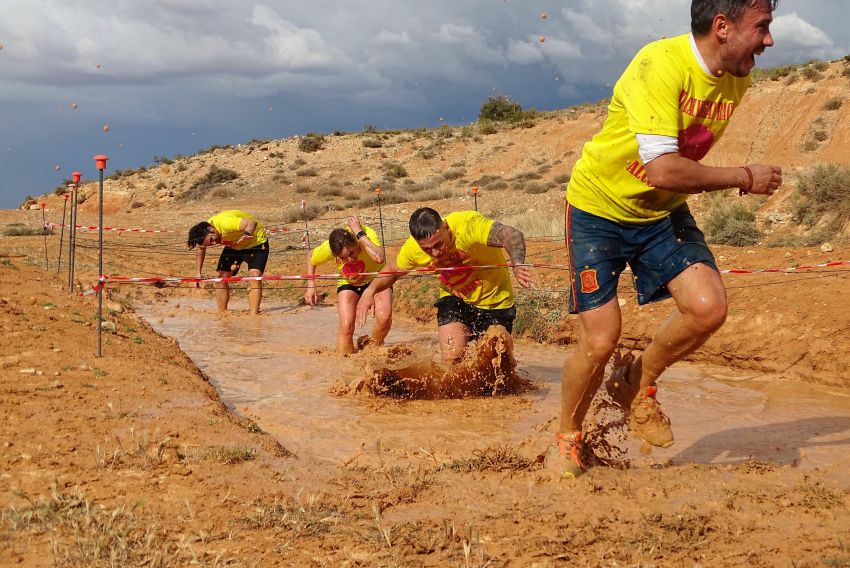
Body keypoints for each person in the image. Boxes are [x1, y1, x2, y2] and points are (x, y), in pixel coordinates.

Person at [554, 0, 783, 478]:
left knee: (708, 308)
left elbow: (668, 176)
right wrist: (744, 175)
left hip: (658, 212)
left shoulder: (738, 76)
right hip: (598, 208)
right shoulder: (658, 65)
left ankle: (638, 380)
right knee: (600, 341)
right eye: (761, 27)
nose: (769, 40)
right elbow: (660, 169)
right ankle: (567, 436)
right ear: (722, 26)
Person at [355, 207, 532, 363]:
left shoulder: (467, 225)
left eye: (438, 244)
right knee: (451, 361)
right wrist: (369, 291)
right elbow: (393, 270)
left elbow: (511, 235)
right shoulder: (413, 249)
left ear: (446, 227)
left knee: (493, 368)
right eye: (427, 249)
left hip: (496, 301)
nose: (435, 253)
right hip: (455, 298)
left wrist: (517, 263)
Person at [305, 216, 393, 354]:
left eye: (351, 253)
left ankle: (372, 350)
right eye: (343, 258)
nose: (350, 259)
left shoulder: (365, 234)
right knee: (346, 327)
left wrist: (359, 233)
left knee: (384, 318)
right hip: (349, 282)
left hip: (376, 279)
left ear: (355, 243)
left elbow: (379, 257)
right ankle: (345, 366)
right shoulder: (329, 248)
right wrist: (311, 284)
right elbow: (311, 257)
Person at [187, 210, 269, 315]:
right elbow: (201, 249)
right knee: (220, 277)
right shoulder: (203, 233)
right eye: (210, 244)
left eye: (212, 240)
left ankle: (254, 315)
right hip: (235, 245)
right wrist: (198, 272)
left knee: (254, 276)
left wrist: (247, 234)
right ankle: (223, 314)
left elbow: (251, 223)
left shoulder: (226, 223)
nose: (214, 243)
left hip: (256, 242)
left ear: (210, 229)